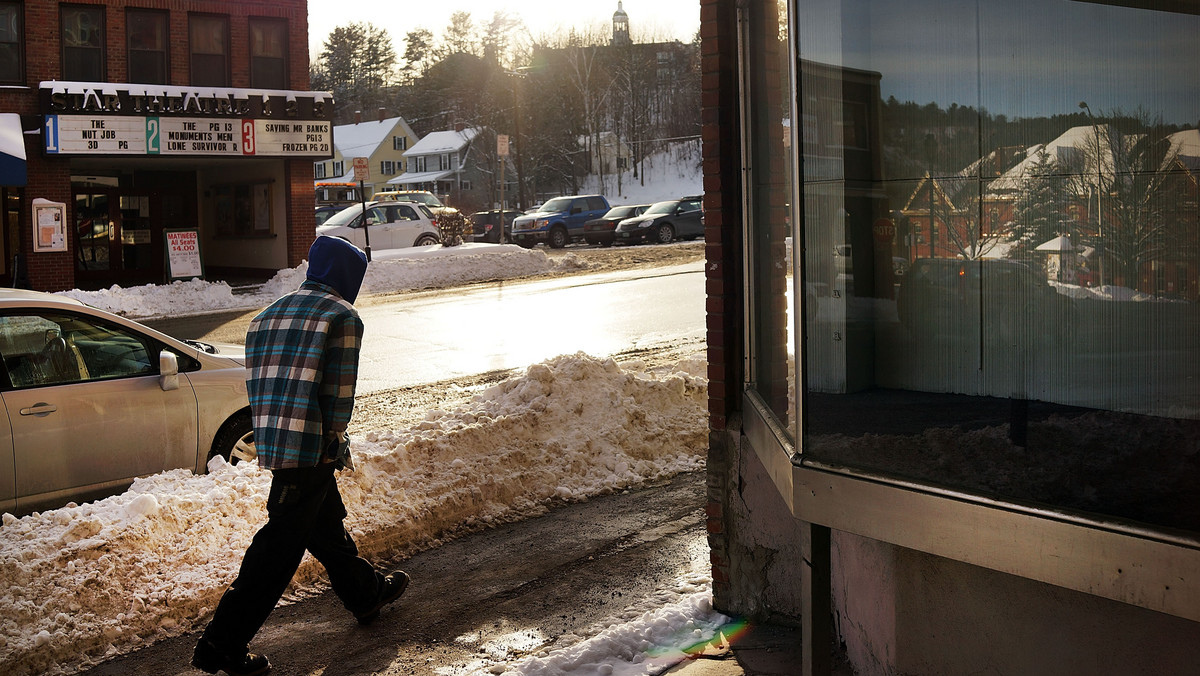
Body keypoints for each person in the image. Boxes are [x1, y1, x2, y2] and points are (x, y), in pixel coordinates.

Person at [193, 236, 409, 676]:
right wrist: (335, 440)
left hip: (274, 439)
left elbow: (259, 384)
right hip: (311, 446)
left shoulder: (268, 314)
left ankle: (365, 593)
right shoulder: (342, 316)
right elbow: (338, 395)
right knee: (278, 547)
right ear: (348, 276)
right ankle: (222, 643)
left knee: (324, 524)